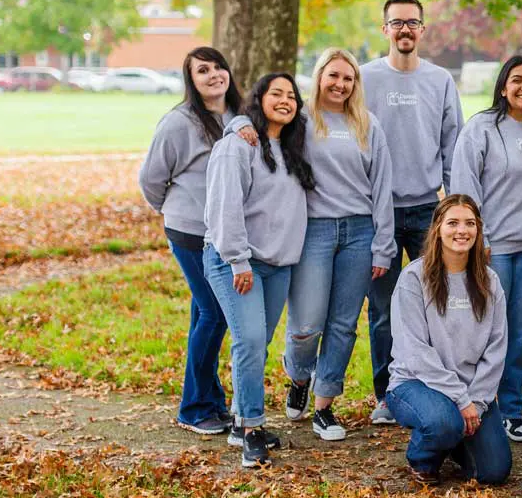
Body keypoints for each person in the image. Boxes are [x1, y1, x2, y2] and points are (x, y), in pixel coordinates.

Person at [232, 50, 396, 441]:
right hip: (313, 232)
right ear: (320, 77)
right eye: (333, 76)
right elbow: (257, 122)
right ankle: (299, 375)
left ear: (356, 84)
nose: (340, 84)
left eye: (349, 78)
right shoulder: (300, 120)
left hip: (360, 233)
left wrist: (383, 245)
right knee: (306, 324)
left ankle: (325, 406)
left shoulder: (368, 125)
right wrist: (236, 125)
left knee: (342, 324)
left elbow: (382, 188)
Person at [361, 0, 464, 426]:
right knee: (384, 310)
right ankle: (387, 393)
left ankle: (435, 385)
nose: (405, 29)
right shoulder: (364, 78)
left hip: (427, 211)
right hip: (377, 212)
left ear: (423, 30)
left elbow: (451, 146)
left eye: (413, 23)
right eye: (397, 22)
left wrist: (454, 209)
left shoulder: (440, 80)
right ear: (384, 29)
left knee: (436, 304)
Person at [203, 73, 312, 468]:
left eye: (292, 96)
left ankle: (237, 420)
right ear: (258, 99)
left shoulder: (292, 147)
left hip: (277, 264)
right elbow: (224, 208)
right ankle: (252, 430)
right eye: (276, 94)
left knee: (255, 345)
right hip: (236, 261)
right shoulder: (237, 146)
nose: (285, 100)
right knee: (249, 341)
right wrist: (237, 260)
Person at [139, 47, 242, 436]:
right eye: (203, 70)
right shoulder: (178, 123)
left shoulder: (236, 116)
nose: (213, 74)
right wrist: (174, 210)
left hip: (223, 233)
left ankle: (210, 402)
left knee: (204, 314)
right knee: (215, 313)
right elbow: (151, 179)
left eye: (218, 67)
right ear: (192, 80)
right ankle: (194, 407)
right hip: (189, 231)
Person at [451, 56, 522, 444]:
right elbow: (464, 186)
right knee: (484, 328)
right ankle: (473, 402)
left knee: (519, 332)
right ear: (503, 85)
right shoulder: (482, 128)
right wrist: (480, 240)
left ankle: (511, 408)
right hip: (493, 247)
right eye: (518, 80)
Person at [386, 195, 511, 486]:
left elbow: (496, 348)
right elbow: (415, 352)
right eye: (452, 223)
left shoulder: (489, 281)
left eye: (469, 224)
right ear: (437, 229)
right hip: (416, 383)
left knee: (493, 472)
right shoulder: (414, 278)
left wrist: (476, 403)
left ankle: (453, 439)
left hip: (471, 391)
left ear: (478, 230)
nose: (461, 231)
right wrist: (460, 399)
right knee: (443, 423)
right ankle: (423, 459)